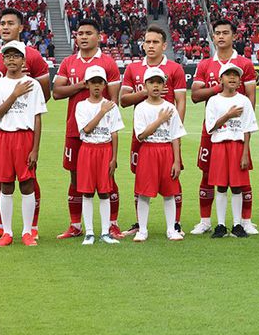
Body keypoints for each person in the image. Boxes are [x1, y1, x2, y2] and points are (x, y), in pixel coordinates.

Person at [0, 8, 50, 241]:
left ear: (21, 27)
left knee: (28, 180)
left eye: (10, 23)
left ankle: (31, 228)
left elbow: (43, 96)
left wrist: (24, 95)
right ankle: (1, 227)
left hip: (24, 131)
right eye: (2, 23)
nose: (5, 27)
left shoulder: (34, 57)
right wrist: (9, 89)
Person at [53, 19, 123, 240]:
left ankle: (112, 224)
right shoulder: (68, 62)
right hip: (75, 130)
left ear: (98, 36)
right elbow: (56, 92)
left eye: (88, 33)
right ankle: (76, 225)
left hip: (102, 134)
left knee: (107, 177)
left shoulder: (108, 63)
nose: (82, 37)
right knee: (75, 177)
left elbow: (114, 99)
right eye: (79, 33)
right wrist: (81, 85)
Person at [190, 19, 258, 235]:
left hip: (237, 131)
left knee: (240, 175)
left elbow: (251, 97)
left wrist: (245, 128)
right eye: (217, 33)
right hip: (212, 131)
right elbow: (195, 96)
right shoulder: (205, 64)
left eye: (225, 33)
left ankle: (244, 221)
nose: (220, 37)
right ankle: (206, 221)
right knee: (208, 173)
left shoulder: (245, 64)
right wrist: (219, 88)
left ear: (234, 36)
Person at [120, 26, 187, 236]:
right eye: (147, 42)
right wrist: (145, 92)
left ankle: (174, 224)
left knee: (171, 180)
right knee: (141, 180)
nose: (150, 46)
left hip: (166, 137)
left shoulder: (175, 69)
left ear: (164, 45)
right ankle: (141, 225)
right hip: (142, 135)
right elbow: (123, 100)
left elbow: (181, 101)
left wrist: (176, 130)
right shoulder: (133, 69)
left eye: (155, 42)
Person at [132, 67, 187, 242]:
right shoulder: (140, 108)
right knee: (144, 193)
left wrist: (177, 161)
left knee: (170, 192)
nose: (155, 86)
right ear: (145, 85)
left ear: (164, 85)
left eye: (159, 82)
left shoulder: (170, 107)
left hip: (166, 151)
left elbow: (175, 135)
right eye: (151, 82)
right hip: (148, 150)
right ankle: (142, 229)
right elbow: (141, 135)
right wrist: (160, 120)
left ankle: (171, 229)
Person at [204, 63, 259, 239]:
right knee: (220, 186)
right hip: (220, 145)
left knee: (237, 187)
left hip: (237, 146)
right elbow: (210, 127)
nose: (232, 78)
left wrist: (245, 154)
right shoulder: (213, 100)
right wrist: (228, 115)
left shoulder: (243, 100)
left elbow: (248, 128)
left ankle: (237, 224)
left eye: (236, 75)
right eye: (228, 75)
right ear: (221, 79)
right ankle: (220, 225)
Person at [75, 66, 124, 245]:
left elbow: (115, 133)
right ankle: (89, 232)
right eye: (93, 82)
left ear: (104, 85)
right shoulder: (81, 106)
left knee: (104, 192)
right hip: (87, 150)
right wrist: (102, 111)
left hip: (105, 150)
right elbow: (86, 129)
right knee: (87, 193)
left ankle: (105, 232)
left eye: (100, 82)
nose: (96, 86)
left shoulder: (111, 106)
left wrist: (114, 158)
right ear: (87, 84)